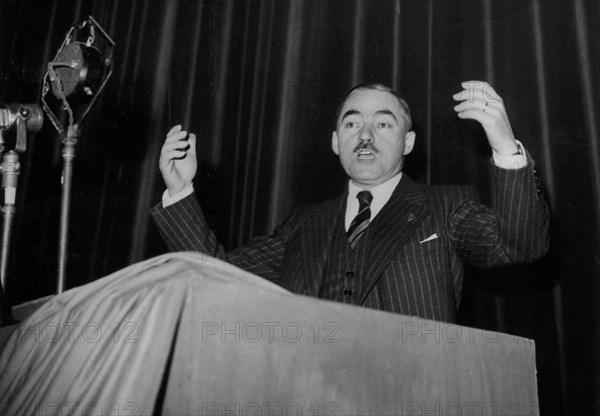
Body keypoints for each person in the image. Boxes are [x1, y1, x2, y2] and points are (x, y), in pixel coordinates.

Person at [150, 81, 549, 323]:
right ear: (336, 141)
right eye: (353, 122)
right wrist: (180, 191)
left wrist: (503, 143)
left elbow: (520, 245)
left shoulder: (448, 206)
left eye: (384, 123)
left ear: (408, 142)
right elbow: (217, 277)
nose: (365, 135)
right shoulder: (302, 225)